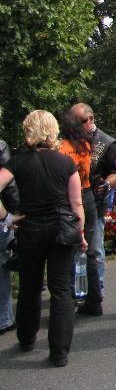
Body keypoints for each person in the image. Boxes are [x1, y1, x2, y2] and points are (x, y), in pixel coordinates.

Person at [0, 111, 87, 367]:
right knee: (61, 290)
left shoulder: (18, 161)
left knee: (30, 286)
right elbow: (76, 204)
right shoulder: (66, 162)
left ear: (29, 131)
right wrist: (80, 234)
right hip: (61, 228)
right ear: (53, 130)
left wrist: (6, 217)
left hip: (30, 228)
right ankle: (59, 353)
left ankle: (27, 339)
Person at [70, 102, 116, 313]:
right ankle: (76, 291)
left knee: (95, 250)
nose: (75, 125)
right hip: (73, 203)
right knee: (74, 251)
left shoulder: (106, 143)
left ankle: (96, 292)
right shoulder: (70, 141)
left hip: (95, 203)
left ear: (90, 119)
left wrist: (107, 184)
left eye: (79, 121)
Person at [57, 113, 101, 314]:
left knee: (69, 249)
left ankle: (71, 296)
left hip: (71, 197)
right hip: (88, 193)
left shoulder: (63, 149)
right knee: (89, 250)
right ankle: (94, 299)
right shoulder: (86, 145)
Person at [0, 137, 18, 335]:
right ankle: (3, 319)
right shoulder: (1, 146)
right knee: (1, 264)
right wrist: (10, 216)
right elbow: (10, 187)